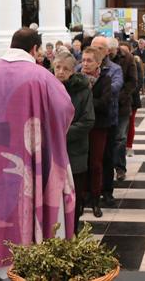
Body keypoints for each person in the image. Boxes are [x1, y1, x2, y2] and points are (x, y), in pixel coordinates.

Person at [0, 28, 76, 278]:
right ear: (35, 50)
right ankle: (26, 266)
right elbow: (65, 109)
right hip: (28, 159)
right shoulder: (40, 76)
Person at [54, 52, 95, 230]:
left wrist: (60, 133)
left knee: (74, 194)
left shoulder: (82, 90)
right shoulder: (47, 86)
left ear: (73, 71)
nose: (61, 72)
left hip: (75, 150)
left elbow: (88, 121)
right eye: (57, 67)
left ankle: (73, 230)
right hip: (53, 152)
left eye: (66, 69)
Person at [89, 36, 123, 207]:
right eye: (93, 47)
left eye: (100, 48)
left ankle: (107, 191)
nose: (96, 51)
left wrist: (91, 94)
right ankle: (90, 191)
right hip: (88, 121)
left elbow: (114, 89)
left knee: (107, 157)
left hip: (108, 118)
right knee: (90, 157)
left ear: (108, 51)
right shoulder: (83, 66)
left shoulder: (114, 69)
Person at [81, 47, 112, 218]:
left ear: (98, 63)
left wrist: (85, 102)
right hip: (80, 126)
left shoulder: (104, 79)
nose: (85, 63)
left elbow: (104, 103)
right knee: (81, 162)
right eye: (83, 60)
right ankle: (82, 197)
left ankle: (95, 199)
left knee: (95, 163)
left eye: (89, 60)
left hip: (98, 126)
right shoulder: (76, 78)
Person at [109, 37, 138, 182]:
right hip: (106, 104)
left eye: (110, 51)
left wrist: (120, 96)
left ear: (116, 49)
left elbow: (132, 81)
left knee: (120, 138)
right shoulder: (102, 57)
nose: (108, 54)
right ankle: (108, 167)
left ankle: (120, 168)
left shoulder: (127, 58)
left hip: (122, 104)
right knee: (109, 137)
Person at [120, 42, 142, 158]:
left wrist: (127, 93)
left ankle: (129, 146)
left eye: (125, 50)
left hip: (132, 99)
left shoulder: (135, 62)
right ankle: (121, 147)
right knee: (121, 126)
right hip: (121, 99)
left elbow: (138, 82)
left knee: (131, 123)